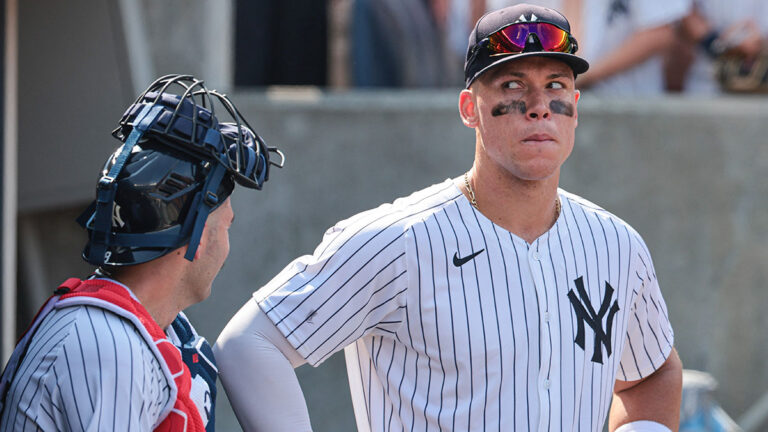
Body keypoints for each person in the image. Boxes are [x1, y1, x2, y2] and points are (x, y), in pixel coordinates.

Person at [215, 4, 682, 431]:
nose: (539, 105)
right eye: (513, 85)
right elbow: (247, 346)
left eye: (555, 85)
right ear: (469, 109)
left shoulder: (616, 245)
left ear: (574, 111)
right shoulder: (396, 240)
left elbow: (652, 373)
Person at [0, 74, 283, 431]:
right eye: (227, 224)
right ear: (195, 236)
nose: (227, 242)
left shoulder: (165, 331)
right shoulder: (105, 344)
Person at [486, 0, 691, 95]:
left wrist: (582, 75)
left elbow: (661, 31)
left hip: (626, 105)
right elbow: (499, 32)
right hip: (540, 104)